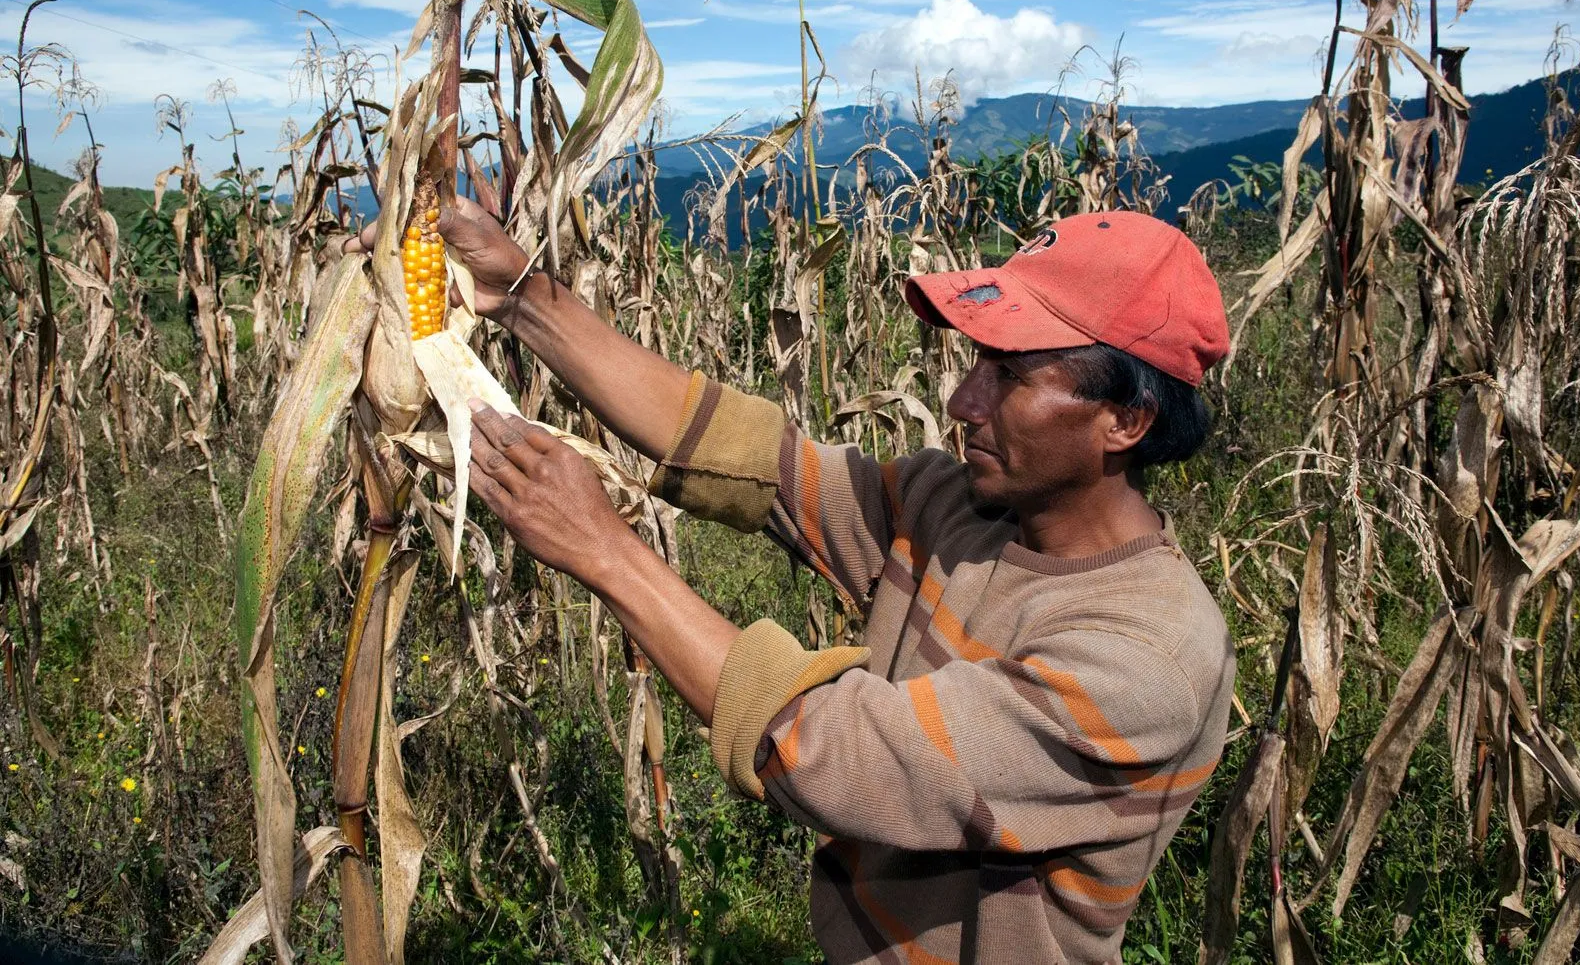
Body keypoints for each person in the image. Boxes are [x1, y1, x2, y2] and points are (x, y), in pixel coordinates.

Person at [348, 206, 1236, 963]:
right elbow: (753, 459)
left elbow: (840, 757)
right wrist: (525, 297)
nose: (964, 402)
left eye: (1007, 377)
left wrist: (608, 554)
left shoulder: (1146, 659)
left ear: (1126, 419)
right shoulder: (960, 509)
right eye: (975, 364)